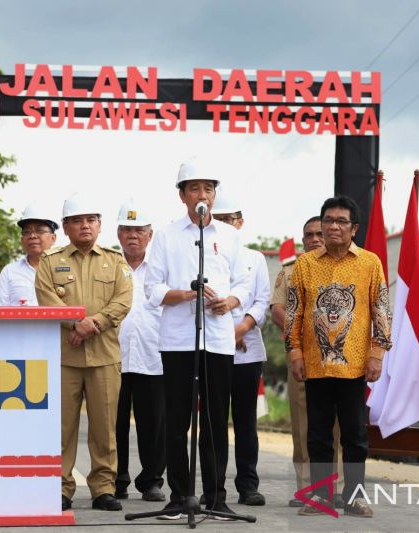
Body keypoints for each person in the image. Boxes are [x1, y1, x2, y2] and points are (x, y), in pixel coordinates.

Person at [144, 158, 251, 519]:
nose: (202, 194)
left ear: (215, 195)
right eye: (194, 188)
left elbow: (244, 284)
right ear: (182, 196)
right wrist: (184, 295)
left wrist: (230, 301)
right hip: (177, 341)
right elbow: (151, 287)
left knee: (216, 420)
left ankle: (216, 496)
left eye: (208, 188)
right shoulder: (166, 236)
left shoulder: (231, 237)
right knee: (176, 421)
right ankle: (179, 495)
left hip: (218, 341)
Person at [286, 196, 392, 518]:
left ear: (354, 228)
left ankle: (354, 498)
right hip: (315, 364)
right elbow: (294, 312)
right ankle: (320, 496)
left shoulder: (370, 263)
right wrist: (294, 353)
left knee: (355, 436)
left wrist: (376, 354)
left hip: (356, 365)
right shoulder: (305, 264)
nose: (333, 226)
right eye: (328, 220)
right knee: (317, 435)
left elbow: (382, 310)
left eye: (340, 221)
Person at [35, 193, 133, 512]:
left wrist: (94, 324)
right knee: (62, 427)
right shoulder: (50, 262)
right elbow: (47, 298)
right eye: (77, 220)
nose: (85, 226)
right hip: (65, 358)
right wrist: (77, 322)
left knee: (105, 428)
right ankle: (60, 487)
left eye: (91, 220)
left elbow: (123, 300)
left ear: (100, 225)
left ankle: (103, 488)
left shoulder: (116, 261)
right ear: (65, 227)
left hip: (105, 357)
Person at [271, 216, 344, 508]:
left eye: (318, 233)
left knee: (336, 425)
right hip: (301, 356)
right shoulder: (290, 272)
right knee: (303, 425)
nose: (314, 239)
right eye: (308, 235)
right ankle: (307, 488)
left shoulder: (345, 269)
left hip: (338, 359)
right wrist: (306, 331)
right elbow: (277, 310)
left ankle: (334, 488)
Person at [210, 193, 270, 507]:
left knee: (246, 421)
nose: (223, 224)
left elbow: (261, 300)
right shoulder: (202, 255)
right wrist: (224, 334)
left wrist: (240, 329)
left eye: (228, 219)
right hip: (212, 350)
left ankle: (248, 485)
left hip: (247, 352)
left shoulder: (255, 258)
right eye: (217, 219)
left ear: (240, 222)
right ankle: (213, 489)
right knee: (214, 421)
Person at [112, 199, 166, 503]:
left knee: (154, 425)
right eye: (127, 230)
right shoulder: (108, 264)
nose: (133, 236)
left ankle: (152, 481)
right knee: (112, 424)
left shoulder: (162, 266)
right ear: (118, 233)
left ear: (150, 234)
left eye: (139, 230)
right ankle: (116, 478)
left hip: (153, 355)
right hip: (112, 356)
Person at [0, 205, 59, 306]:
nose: (32, 236)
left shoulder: (65, 269)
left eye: (40, 231)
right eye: (27, 232)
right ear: (22, 239)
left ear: (53, 238)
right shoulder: (9, 271)